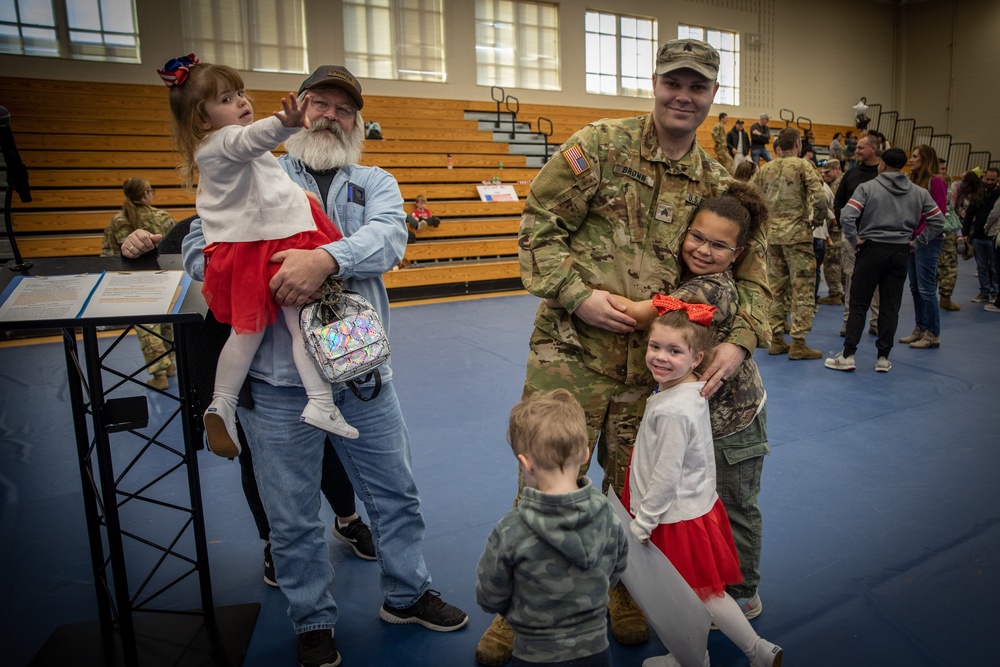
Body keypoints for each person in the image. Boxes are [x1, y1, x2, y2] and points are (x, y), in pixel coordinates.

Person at [475, 37, 772, 667]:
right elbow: (538, 228)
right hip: (571, 354)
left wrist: (741, 343)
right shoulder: (598, 147)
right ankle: (521, 609)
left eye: (697, 87)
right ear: (655, 84)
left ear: (713, 97)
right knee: (549, 478)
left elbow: (755, 278)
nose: (683, 96)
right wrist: (576, 295)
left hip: (657, 373)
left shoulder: (719, 184)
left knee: (635, 490)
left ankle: (620, 589)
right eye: (674, 83)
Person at [179, 63, 468, 667]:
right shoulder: (258, 166)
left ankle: (407, 592)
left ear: (357, 122)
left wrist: (324, 261)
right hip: (276, 383)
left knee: (396, 496)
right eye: (319, 103)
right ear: (298, 108)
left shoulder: (375, 181)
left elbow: (390, 239)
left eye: (344, 108)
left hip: (361, 374)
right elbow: (194, 243)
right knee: (290, 517)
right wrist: (251, 279)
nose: (330, 115)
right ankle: (312, 619)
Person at [157, 54, 357, 458]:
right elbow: (250, 139)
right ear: (202, 118)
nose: (241, 102)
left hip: (244, 253)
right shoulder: (226, 142)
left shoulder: (215, 152)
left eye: (241, 93)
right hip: (270, 244)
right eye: (228, 99)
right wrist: (282, 124)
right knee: (303, 322)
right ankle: (321, 401)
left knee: (246, 333)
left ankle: (222, 403)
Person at [623, 299, 782, 667]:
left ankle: (693, 657)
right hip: (695, 509)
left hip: (671, 518)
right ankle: (755, 649)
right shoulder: (687, 390)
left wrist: (644, 522)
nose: (661, 357)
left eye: (674, 351)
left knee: (684, 595)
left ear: (697, 359)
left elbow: (665, 475)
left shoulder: (676, 410)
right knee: (706, 593)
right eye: (655, 346)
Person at [475, 390, 629, 667]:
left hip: (534, 653)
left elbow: (490, 594)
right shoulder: (607, 512)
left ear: (525, 463)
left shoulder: (511, 529)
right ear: (584, 454)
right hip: (595, 650)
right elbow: (617, 565)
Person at [825, 148, 945, 372]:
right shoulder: (918, 192)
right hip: (900, 251)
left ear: (881, 164)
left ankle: (848, 355)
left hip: (871, 249)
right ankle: (883, 358)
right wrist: (917, 242)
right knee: (890, 306)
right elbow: (938, 221)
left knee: (859, 304)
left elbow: (848, 215)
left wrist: (853, 239)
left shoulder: (868, 188)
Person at [751, 126, 827, 359]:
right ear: (797, 145)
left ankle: (775, 338)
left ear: (778, 147)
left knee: (775, 288)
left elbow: (750, 195)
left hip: (772, 238)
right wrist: (818, 220)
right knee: (802, 289)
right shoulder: (803, 165)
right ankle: (799, 343)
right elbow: (821, 197)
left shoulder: (766, 169)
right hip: (797, 237)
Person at [101, 177, 177, 389]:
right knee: (166, 324)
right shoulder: (162, 217)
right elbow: (176, 248)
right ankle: (168, 367)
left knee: (148, 329)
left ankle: (160, 373)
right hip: (165, 279)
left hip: (135, 283)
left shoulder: (117, 221)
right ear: (146, 194)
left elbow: (107, 254)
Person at [899, 144, 947, 349]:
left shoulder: (936, 181)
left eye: (916, 156)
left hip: (928, 240)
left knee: (926, 288)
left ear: (925, 159)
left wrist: (919, 237)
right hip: (912, 239)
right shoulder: (913, 181)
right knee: (915, 288)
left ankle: (933, 333)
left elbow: (939, 214)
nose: (911, 160)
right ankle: (920, 327)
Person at [833, 133, 882, 336]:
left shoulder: (883, 175)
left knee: (877, 281)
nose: (857, 151)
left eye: (861, 148)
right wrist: (844, 226)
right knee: (851, 279)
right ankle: (849, 322)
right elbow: (838, 202)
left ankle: (876, 321)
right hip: (852, 236)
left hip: (877, 236)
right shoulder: (850, 175)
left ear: (873, 149)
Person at [962, 167, 1000, 304]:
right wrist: (965, 232)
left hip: (993, 236)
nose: (989, 182)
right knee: (981, 266)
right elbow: (969, 214)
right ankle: (984, 291)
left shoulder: (999, 195)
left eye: (993, 180)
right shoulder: (978, 194)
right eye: (987, 179)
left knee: (995, 267)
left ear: (998, 179)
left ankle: (995, 292)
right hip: (978, 236)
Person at [817, 159, 845, 305]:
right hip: (840, 227)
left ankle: (835, 293)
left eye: (827, 172)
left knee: (832, 261)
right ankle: (843, 292)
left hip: (835, 228)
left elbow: (831, 207)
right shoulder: (841, 181)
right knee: (841, 261)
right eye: (822, 172)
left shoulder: (837, 184)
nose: (824, 175)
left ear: (836, 169)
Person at [936, 158, 962, 311]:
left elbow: (952, 212)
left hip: (948, 232)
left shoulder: (948, 188)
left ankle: (945, 297)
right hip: (933, 232)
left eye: (945, 169)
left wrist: (958, 234)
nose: (944, 172)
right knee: (931, 267)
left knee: (949, 265)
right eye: (941, 169)